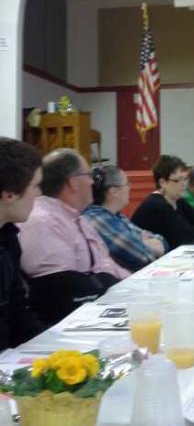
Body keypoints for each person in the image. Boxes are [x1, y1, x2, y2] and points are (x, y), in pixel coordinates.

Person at [19, 149, 130, 326]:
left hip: (101, 306)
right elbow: (65, 290)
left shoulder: (76, 217)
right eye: (89, 175)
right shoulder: (42, 222)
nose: (93, 181)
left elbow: (103, 264)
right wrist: (105, 280)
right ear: (73, 183)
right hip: (75, 322)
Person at [0, 138, 44, 350]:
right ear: (9, 194)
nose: (38, 194)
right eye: (35, 186)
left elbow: (18, 312)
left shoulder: (8, 236)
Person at [83, 165, 167, 272]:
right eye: (126, 184)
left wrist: (138, 242)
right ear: (113, 191)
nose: (129, 187)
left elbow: (163, 242)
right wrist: (142, 241)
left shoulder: (115, 215)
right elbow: (143, 257)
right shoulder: (96, 218)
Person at [132, 155, 194, 250]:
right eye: (178, 180)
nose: (184, 184)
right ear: (163, 183)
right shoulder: (157, 204)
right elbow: (186, 238)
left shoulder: (178, 200)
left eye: (185, 179)